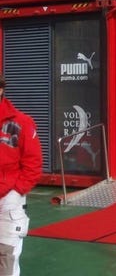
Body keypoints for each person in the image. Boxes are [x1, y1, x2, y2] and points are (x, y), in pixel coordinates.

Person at [0, 75, 42, 276]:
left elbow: (33, 164)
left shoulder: (22, 123)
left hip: (8, 202)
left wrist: (16, 193)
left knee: (5, 260)